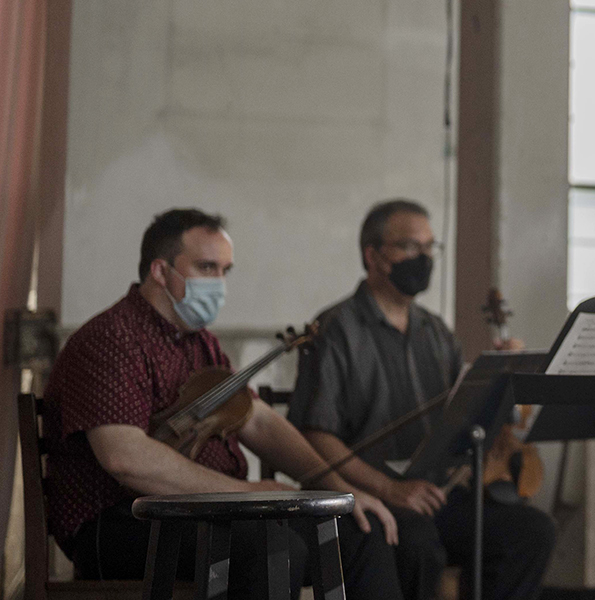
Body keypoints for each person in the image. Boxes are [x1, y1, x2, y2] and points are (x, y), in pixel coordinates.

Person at [42, 208, 402, 599]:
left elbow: (259, 422)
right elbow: (125, 458)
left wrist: (337, 491)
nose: (218, 283)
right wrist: (246, 494)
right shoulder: (111, 339)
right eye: (206, 267)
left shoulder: (201, 343)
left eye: (225, 270)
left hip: (212, 514)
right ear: (161, 272)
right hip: (121, 523)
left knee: (360, 531)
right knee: (271, 550)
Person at [290, 199, 555, 600]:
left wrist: (503, 378)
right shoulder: (335, 329)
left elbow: (463, 418)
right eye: (412, 247)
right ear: (374, 256)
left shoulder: (435, 332)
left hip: (436, 495)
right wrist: (389, 488)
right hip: (372, 495)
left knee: (531, 532)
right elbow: (314, 433)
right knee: (416, 543)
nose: (425, 258)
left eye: (431, 247)